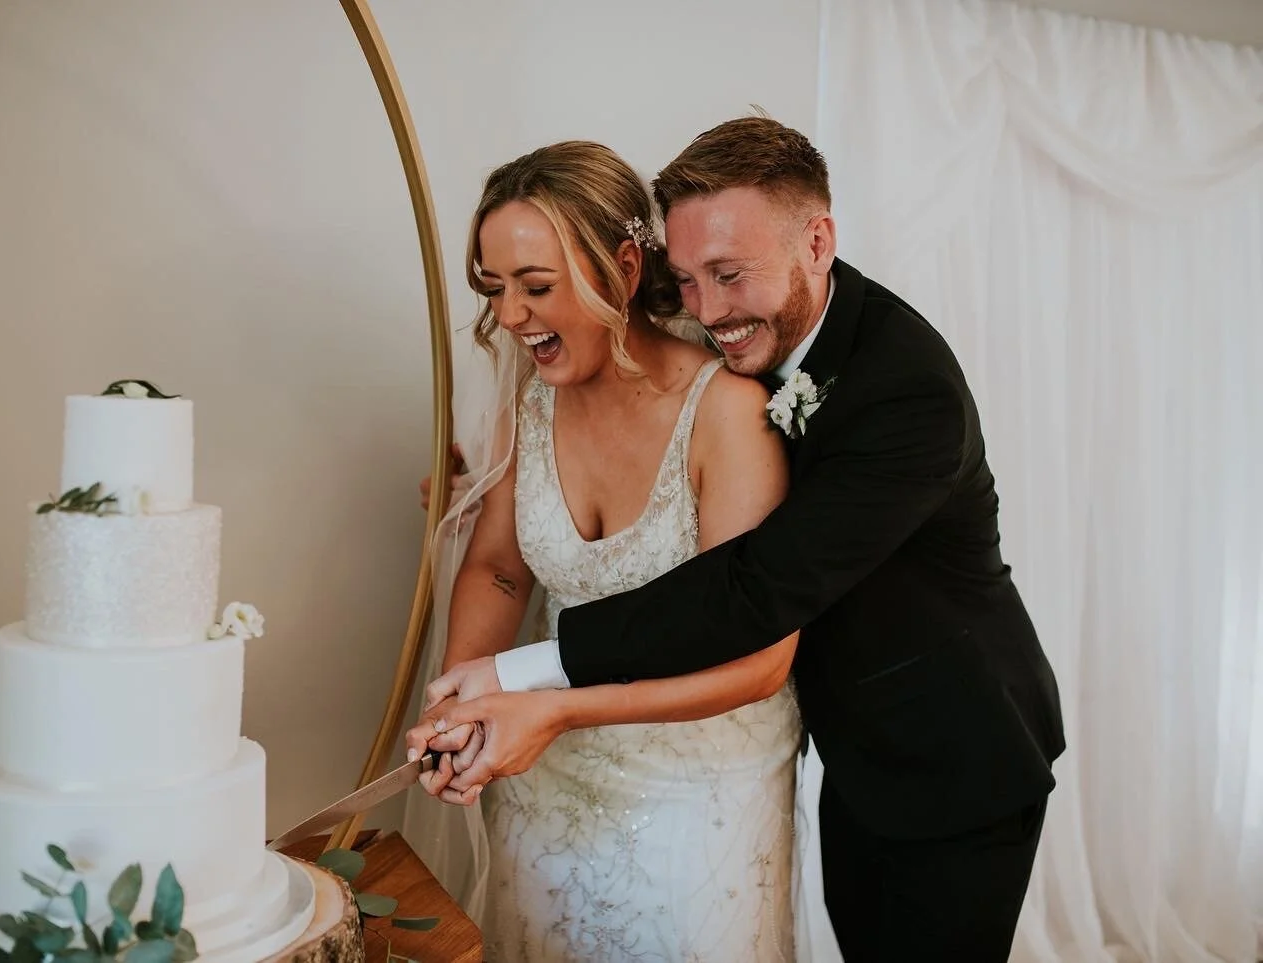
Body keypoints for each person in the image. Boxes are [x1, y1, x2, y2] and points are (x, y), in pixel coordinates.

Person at [412, 117, 1066, 961]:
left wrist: (529, 672)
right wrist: (497, 487)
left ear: (818, 242)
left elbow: (751, 589)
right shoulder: (726, 339)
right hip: (848, 751)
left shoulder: (908, 393)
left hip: (950, 748)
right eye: (687, 279)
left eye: (728, 275)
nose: (708, 310)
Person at [403, 140, 804, 961]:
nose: (511, 315)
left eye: (536, 286)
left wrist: (553, 708)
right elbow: (499, 568)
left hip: (700, 792)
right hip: (544, 777)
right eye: (495, 288)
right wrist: (458, 704)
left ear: (623, 268)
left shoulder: (726, 413)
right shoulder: (529, 406)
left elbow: (760, 661)